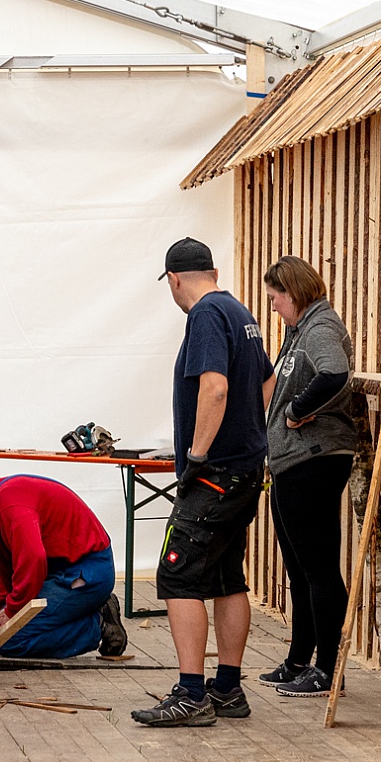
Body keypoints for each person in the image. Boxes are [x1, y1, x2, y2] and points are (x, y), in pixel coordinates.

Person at [131, 237, 271, 727]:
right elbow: (267, 382)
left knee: (178, 576)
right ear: (213, 272)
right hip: (245, 470)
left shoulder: (206, 315)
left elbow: (214, 388)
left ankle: (192, 693)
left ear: (173, 280)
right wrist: (247, 432)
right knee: (228, 577)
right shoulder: (239, 311)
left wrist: (197, 454)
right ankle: (228, 689)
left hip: (215, 475)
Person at [256, 256, 358, 697]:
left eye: (275, 297)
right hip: (291, 460)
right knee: (299, 568)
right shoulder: (300, 330)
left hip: (314, 459)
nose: (273, 306)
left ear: (293, 292)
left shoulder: (320, 327)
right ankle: (300, 659)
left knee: (319, 569)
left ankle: (329, 669)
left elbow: (335, 373)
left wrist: (298, 410)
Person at [0, 475, 129, 658]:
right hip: (65, 572)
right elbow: (11, 575)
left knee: (7, 641)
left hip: (86, 575)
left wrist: (12, 611)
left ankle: (99, 624)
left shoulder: (11, 504)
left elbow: (33, 559)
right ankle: (83, 610)